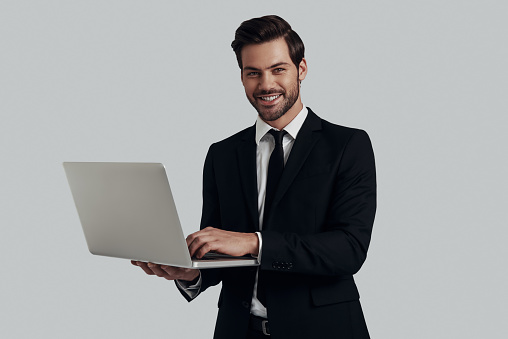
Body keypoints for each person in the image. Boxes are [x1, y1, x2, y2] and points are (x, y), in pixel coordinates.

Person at [132, 15, 376, 339]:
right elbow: (219, 250)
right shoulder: (222, 154)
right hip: (238, 330)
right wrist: (190, 272)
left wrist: (253, 242)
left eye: (278, 69)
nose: (265, 85)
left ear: (301, 69)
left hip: (322, 329)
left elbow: (349, 249)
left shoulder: (347, 145)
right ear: (242, 77)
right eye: (253, 73)